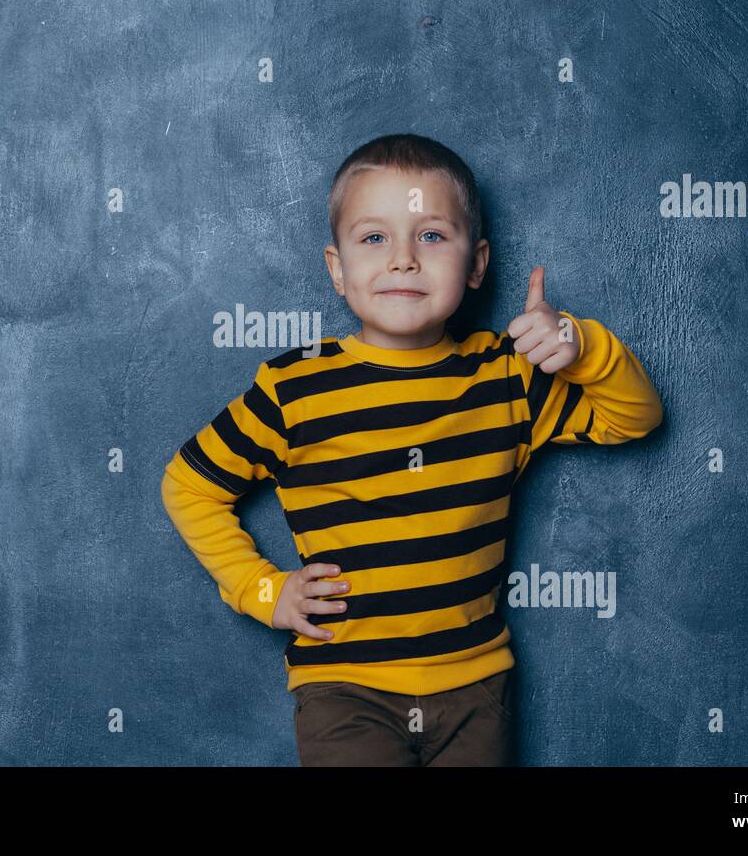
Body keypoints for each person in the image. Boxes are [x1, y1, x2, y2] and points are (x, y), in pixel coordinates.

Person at [160, 133, 664, 766]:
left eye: (431, 235)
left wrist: (583, 346)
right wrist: (262, 591)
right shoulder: (295, 389)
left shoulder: (506, 377)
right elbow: (189, 483)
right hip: (344, 687)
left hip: (477, 683)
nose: (403, 259)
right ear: (337, 268)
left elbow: (637, 419)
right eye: (374, 238)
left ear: (477, 264)